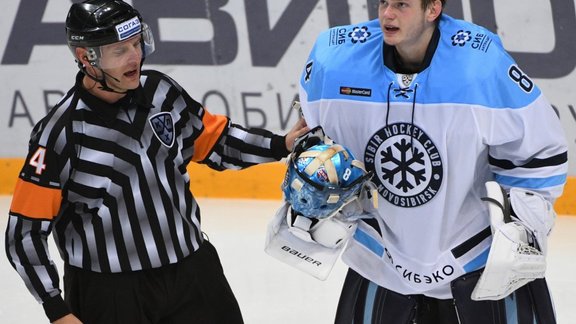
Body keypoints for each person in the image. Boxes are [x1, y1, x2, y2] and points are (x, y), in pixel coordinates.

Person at [4, 1, 308, 323]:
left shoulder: (161, 92)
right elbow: (24, 231)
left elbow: (215, 141)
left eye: (136, 43)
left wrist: (280, 144)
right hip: (110, 294)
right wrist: (57, 309)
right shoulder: (59, 134)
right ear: (86, 58)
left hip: (193, 273)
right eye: (119, 51)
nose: (135, 56)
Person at [296, 0, 568, 323]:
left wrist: (524, 221)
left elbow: (540, 149)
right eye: (383, 2)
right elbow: (314, 136)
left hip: (476, 260)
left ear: (433, 9)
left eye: (401, 4)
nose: (387, 14)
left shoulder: (478, 67)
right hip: (382, 262)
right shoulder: (335, 61)